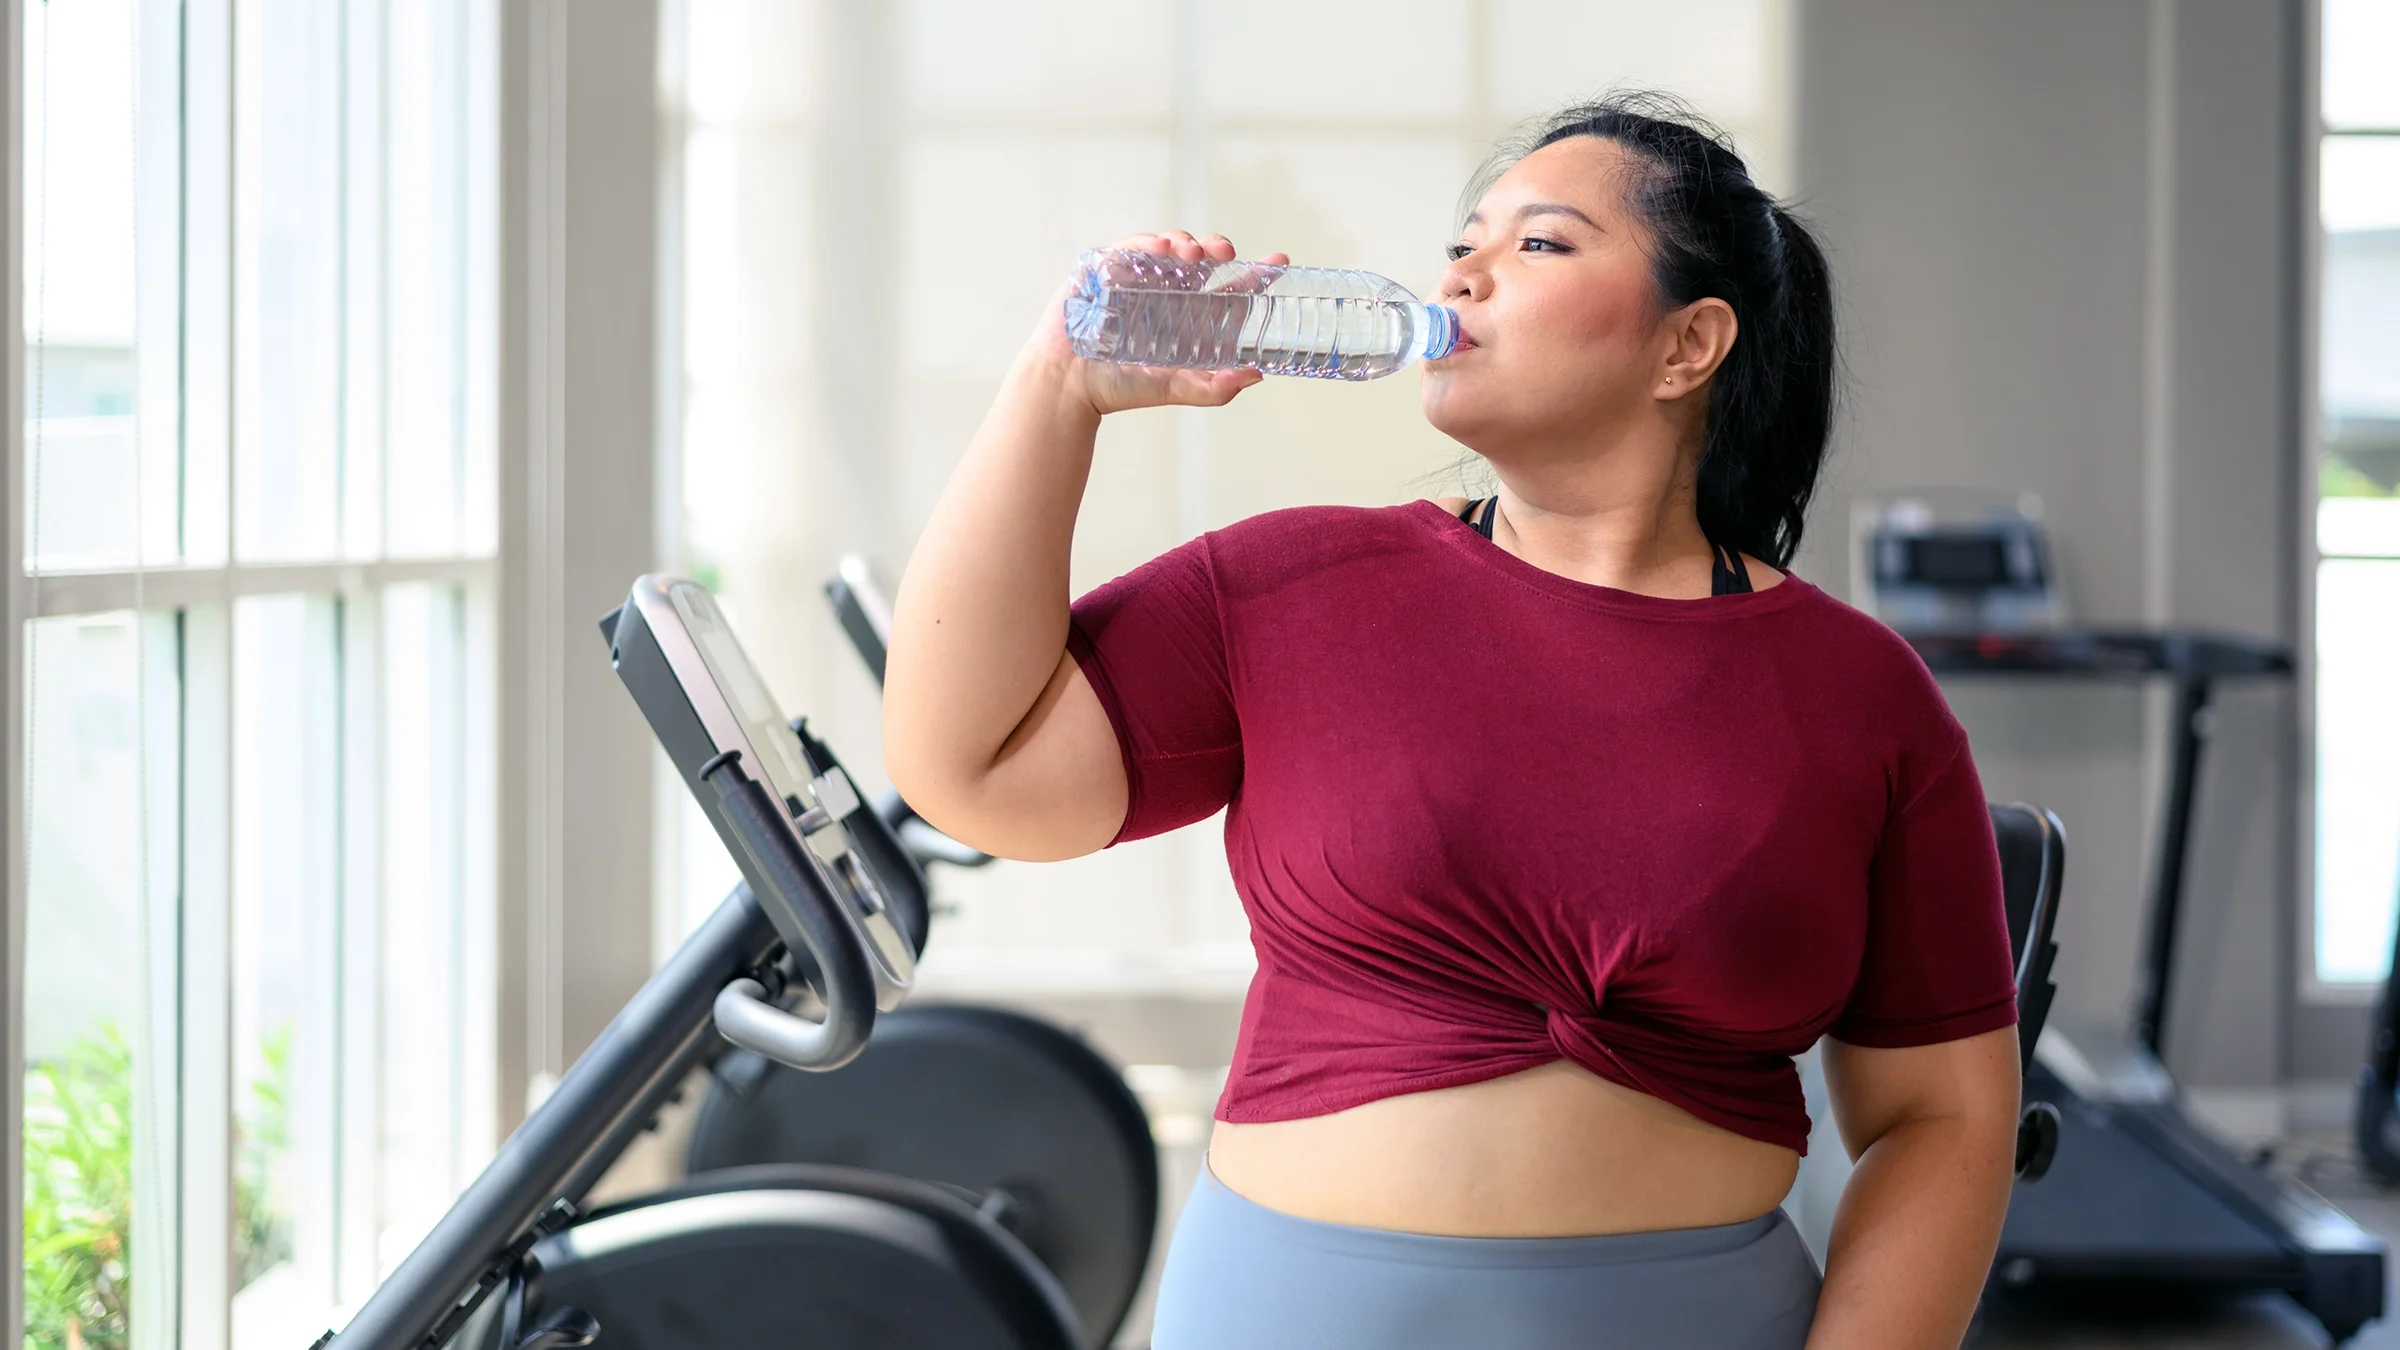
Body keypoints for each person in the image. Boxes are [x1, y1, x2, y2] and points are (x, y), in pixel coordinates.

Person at [883, 94, 2021, 1350]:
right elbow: (970, 765)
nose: (1462, 273)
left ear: (1687, 345)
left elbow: (1944, 1119)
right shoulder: (1288, 587)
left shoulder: (1861, 695)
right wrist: (1060, 387)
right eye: (1463, 241)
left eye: (1539, 243)